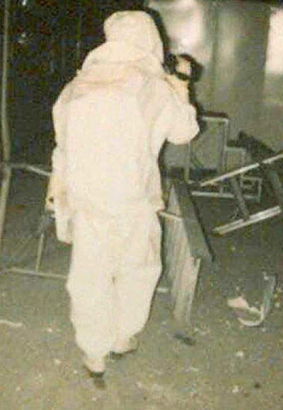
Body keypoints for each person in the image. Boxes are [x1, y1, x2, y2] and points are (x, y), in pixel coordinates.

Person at [46, 10, 199, 388]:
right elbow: (185, 131)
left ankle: (93, 353)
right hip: (133, 200)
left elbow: (61, 148)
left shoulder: (75, 87)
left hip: (86, 200)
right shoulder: (153, 86)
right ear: (150, 41)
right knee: (137, 269)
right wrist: (181, 82)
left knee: (89, 275)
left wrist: (57, 195)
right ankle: (123, 336)